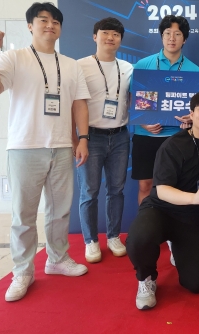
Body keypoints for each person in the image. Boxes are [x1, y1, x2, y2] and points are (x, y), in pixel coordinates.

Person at [0, 2, 90, 302]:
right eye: (43, 20)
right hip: (25, 147)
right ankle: (23, 271)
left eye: (55, 21)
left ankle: (57, 259)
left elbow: (79, 104)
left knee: (60, 210)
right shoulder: (13, 57)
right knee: (23, 215)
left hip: (62, 147)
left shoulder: (71, 64)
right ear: (30, 26)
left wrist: (83, 139)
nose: (50, 25)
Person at [125, 91, 199, 310]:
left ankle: (178, 247)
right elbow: (161, 190)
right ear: (191, 114)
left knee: (197, 284)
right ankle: (146, 278)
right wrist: (195, 197)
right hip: (162, 210)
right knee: (139, 238)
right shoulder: (173, 144)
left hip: (193, 219)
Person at [76, 17, 133, 263]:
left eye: (116, 34)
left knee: (116, 190)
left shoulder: (128, 68)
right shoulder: (80, 66)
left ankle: (113, 236)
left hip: (120, 135)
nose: (111, 38)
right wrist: (80, 139)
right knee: (89, 191)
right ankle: (90, 240)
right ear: (95, 36)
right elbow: (75, 104)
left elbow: (137, 100)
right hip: (91, 136)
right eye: (105, 33)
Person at [131, 15, 199, 204]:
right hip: (146, 136)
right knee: (145, 186)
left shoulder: (195, 71)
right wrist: (143, 122)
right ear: (161, 36)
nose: (172, 38)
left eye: (177, 34)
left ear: (184, 39)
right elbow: (133, 99)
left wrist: (191, 118)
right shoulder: (143, 65)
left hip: (178, 137)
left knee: (176, 186)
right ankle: (145, 223)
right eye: (167, 33)